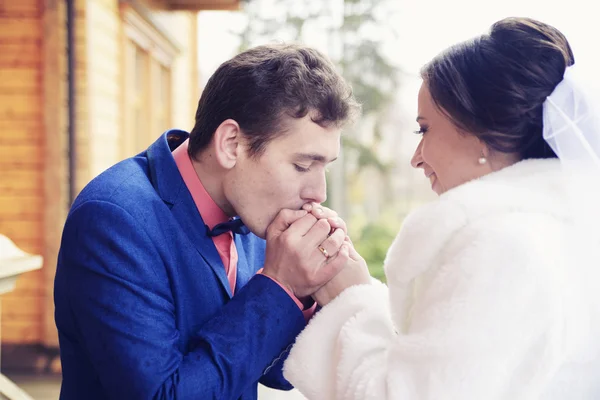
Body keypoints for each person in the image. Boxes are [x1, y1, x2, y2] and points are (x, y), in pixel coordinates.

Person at [281, 17, 600, 399]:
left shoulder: (499, 248)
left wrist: (349, 298)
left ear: (481, 132)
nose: (416, 158)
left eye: (424, 129)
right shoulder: (557, 234)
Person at [53, 43, 360, 399]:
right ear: (231, 144)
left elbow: (276, 371)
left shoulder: (254, 207)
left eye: (325, 166)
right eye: (303, 166)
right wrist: (278, 284)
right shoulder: (114, 220)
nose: (318, 192)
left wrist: (307, 290)